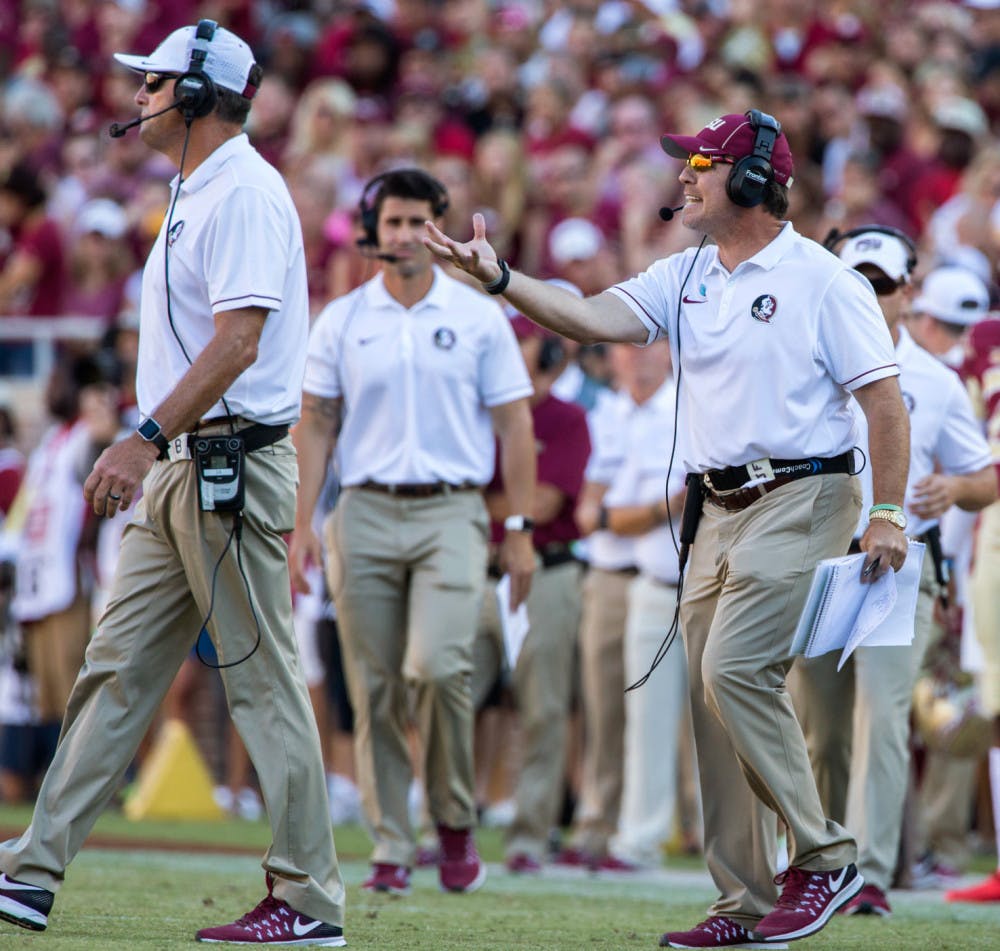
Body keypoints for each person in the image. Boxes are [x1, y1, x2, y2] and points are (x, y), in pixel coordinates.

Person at [425, 109, 911, 948]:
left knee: (733, 668)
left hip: (804, 491)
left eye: (702, 162)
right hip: (713, 507)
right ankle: (743, 902)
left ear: (755, 180)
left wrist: (890, 513)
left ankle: (826, 856)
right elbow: (587, 317)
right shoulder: (685, 271)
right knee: (707, 698)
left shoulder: (827, 280)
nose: (683, 176)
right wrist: (501, 277)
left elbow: (884, 403)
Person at [0, 22, 347, 946]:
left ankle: (310, 899)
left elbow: (240, 340)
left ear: (195, 95)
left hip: (221, 462)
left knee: (263, 681)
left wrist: (143, 436)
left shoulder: (243, 194)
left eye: (152, 81)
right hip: (185, 464)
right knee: (115, 668)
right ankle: (32, 869)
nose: (138, 95)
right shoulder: (201, 188)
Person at [290, 167, 536, 897]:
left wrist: (517, 524)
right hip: (361, 510)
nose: (402, 236)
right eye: (391, 223)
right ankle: (393, 841)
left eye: (416, 222)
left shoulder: (480, 315)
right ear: (374, 229)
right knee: (372, 685)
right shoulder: (342, 318)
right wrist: (302, 521)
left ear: (441, 227)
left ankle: (453, 818)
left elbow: (515, 422)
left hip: (451, 510)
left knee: (438, 666)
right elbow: (317, 423)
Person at [790, 225, 997, 917]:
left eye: (883, 285)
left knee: (880, 719)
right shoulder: (805, 359)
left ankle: (869, 871)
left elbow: (985, 474)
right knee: (820, 724)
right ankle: (821, 862)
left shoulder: (935, 381)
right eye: (859, 284)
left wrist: (954, 491)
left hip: (900, 568)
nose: (872, 297)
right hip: (821, 559)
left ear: (908, 291)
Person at [470, 315, 590, 874]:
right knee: (449, 696)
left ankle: (529, 835)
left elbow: (542, 504)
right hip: (479, 568)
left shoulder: (566, 419)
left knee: (543, 709)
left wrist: (485, 501)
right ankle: (446, 826)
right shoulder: (482, 411)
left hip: (546, 571)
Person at [946, 315, 1000, 905]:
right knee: (998, 695)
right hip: (996, 529)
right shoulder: (985, 338)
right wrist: (949, 561)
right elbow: (966, 458)